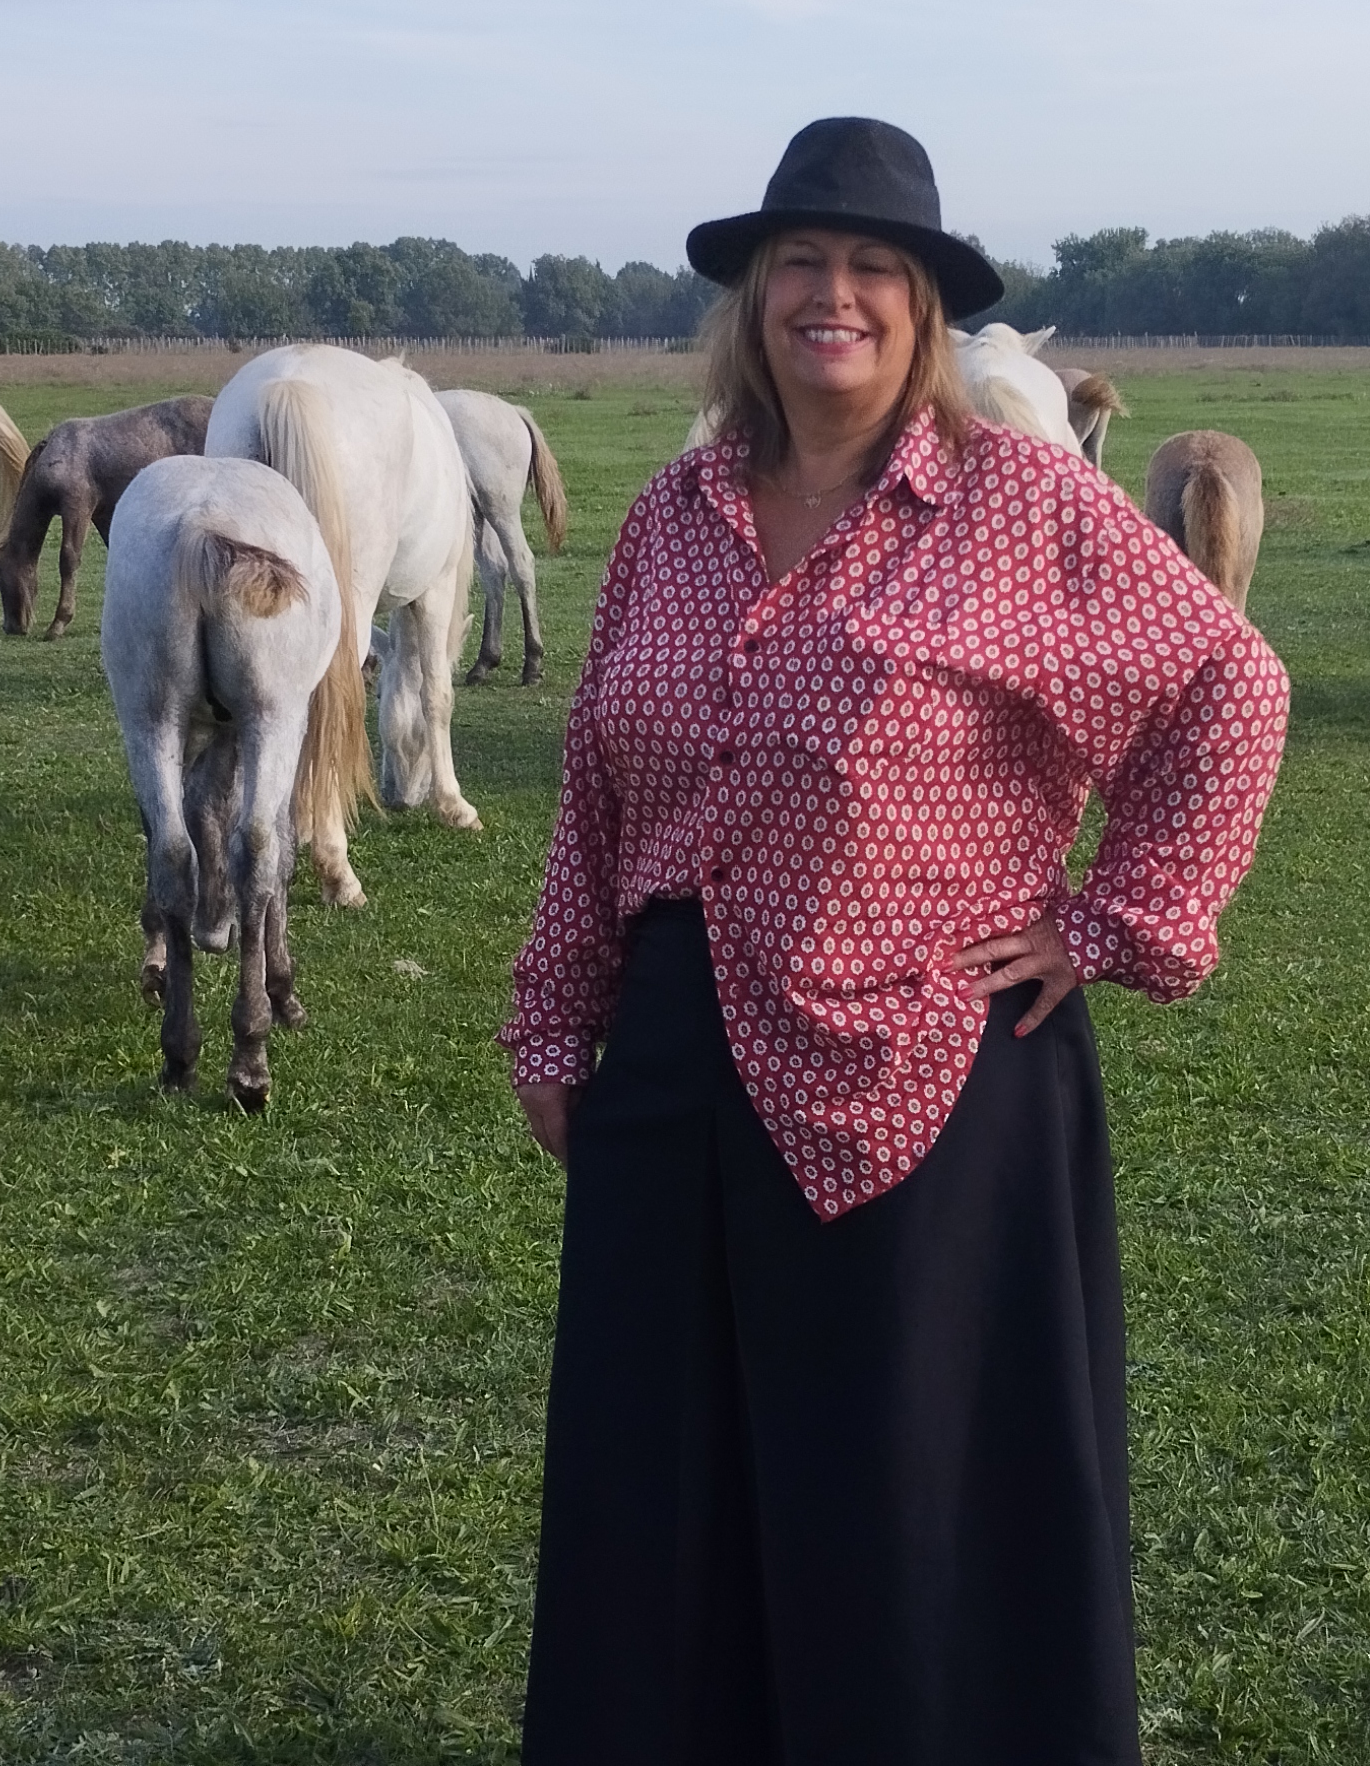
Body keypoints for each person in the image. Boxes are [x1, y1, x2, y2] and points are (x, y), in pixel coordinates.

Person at [499, 116, 1290, 1764]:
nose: (833, 294)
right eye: (801, 260)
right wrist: (561, 1011)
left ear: (924, 312)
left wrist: (1114, 918)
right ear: (754, 298)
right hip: (674, 1068)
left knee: (907, 1484)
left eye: (875, 268)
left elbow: (1231, 686)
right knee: (664, 1480)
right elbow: (599, 778)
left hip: (931, 1068)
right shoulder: (673, 516)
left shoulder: (1018, 504)